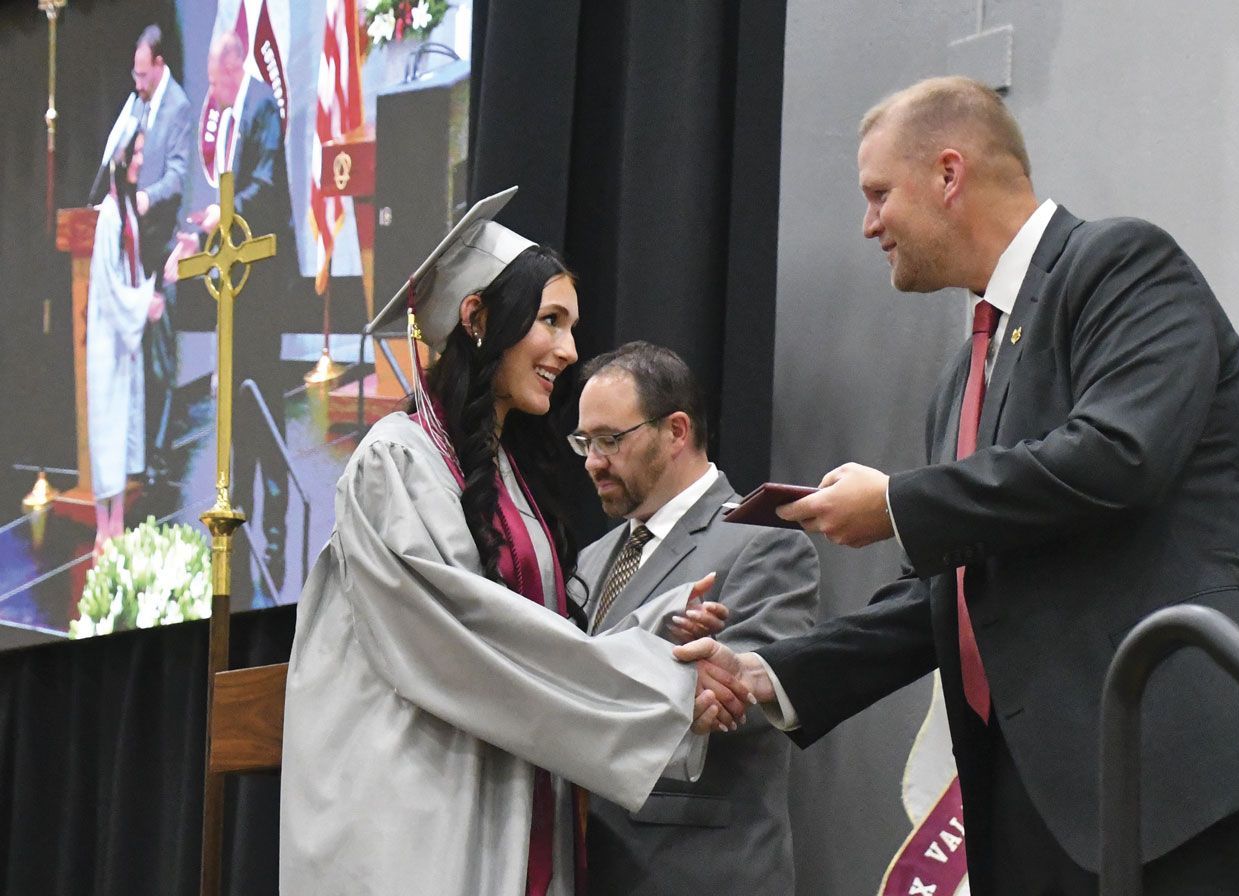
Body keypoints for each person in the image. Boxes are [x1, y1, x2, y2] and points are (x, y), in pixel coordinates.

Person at [679, 76, 1239, 896]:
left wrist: (897, 503)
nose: (868, 224)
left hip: (1183, 772)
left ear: (949, 174)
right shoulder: (963, 376)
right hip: (1038, 802)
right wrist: (772, 672)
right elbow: (952, 593)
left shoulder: (1120, 264)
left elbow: (1117, 456)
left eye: (879, 194)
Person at [279, 189, 749, 896]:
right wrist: (654, 682)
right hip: (422, 802)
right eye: (550, 321)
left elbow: (528, 631)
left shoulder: (504, 475)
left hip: (501, 784)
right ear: (476, 317)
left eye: (571, 326)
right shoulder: (396, 461)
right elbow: (461, 635)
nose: (568, 350)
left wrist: (658, 635)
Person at [570, 341, 818, 896]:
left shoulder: (763, 542)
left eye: (610, 439)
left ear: (676, 431)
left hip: (699, 874)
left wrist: (687, 669)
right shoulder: (593, 557)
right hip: (592, 866)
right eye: (584, 442)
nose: (592, 460)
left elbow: (756, 698)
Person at [175, 30, 294, 587]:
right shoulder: (234, 111)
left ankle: (275, 534)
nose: (211, 92)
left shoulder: (261, 105)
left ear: (231, 68)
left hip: (264, 283)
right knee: (237, 407)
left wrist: (218, 217)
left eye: (214, 78)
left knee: (262, 398)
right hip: (238, 285)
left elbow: (266, 190)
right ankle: (238, 518)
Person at [89, 25, 192, 485]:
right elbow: (115, 159)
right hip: (131, 243)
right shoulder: (136, 105)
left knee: (162, 357)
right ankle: (139, 452)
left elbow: (177, 173)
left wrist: (146, 197)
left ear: (161, 66)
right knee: (140, 357)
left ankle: (161, 458)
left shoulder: (179, 107)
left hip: (160, 245)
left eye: (144, 74)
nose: (138, 82)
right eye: (134, 74)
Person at [85, 129, 156, 552]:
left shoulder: (127, 208)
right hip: (110, 333)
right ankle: (102, 529)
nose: (142, 160)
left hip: (124, 335)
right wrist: (142, 302)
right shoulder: (110, 214)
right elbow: (108, 284)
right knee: (106, 425)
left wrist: (145, 293)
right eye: (138, 153)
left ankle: (116, 523)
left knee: (123, 424)